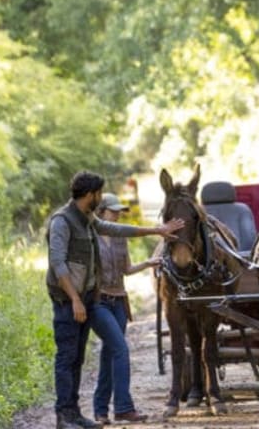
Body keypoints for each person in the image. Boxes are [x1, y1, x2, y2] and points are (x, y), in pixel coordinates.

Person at [46, 171, 183, 429]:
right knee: (66, 358)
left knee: (77, 358)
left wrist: (156, 230)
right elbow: (57, 263)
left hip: (85, 299)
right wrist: (75, 299)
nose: (99, 197)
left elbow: (115, 229)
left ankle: (74, 414)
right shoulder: (62, 221)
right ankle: (63, 416)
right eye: (98, 193)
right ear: (90, 194)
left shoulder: (87, 218)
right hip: (68, 302)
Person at [91, 194, 160, 424]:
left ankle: (100, 410)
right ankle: (123, 408)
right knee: (120, 349)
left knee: (109, 353)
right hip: (98, 302)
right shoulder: (90, 236)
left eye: (119, 211)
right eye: (113, 211)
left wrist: (148, 264)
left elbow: (127, 269)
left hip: (119, 301)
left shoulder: (120, 238)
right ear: (101, 212)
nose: (118, 214)